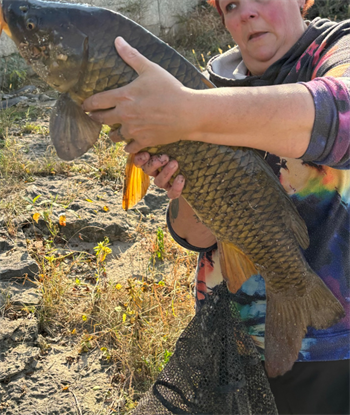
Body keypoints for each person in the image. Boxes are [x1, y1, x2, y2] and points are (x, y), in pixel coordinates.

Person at [82, 0, 350, 413]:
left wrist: (187, 111)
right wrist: (185, 186)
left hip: (331, 342)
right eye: (231, 4)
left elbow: (341, 108)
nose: (246, 12)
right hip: (230, 329)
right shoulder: (202, 82)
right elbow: (192, 234)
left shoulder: (337, 50)